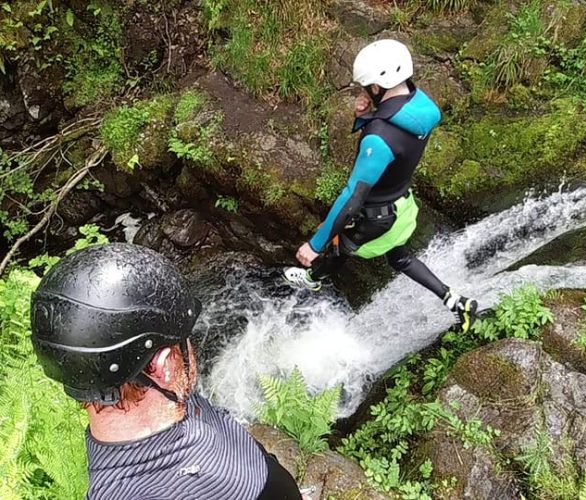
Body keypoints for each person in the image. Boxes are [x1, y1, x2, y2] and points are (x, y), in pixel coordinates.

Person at [30, 243, 305, 500]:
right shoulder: (214, 482)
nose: (191, 346)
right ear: (160, 367)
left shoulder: (172, 407)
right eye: (185, 338)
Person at [284, 39, 477, 333]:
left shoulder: (379, 137)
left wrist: (315, 245)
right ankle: (453, 299)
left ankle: (313, 279)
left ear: (378, 87)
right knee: (400, 257)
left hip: (374, 217)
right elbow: (395, 133)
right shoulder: (420, 106)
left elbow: (353, 197)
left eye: (366, 87)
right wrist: (366, 116)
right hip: (401, 203)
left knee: (340, 248)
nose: (363, 92)